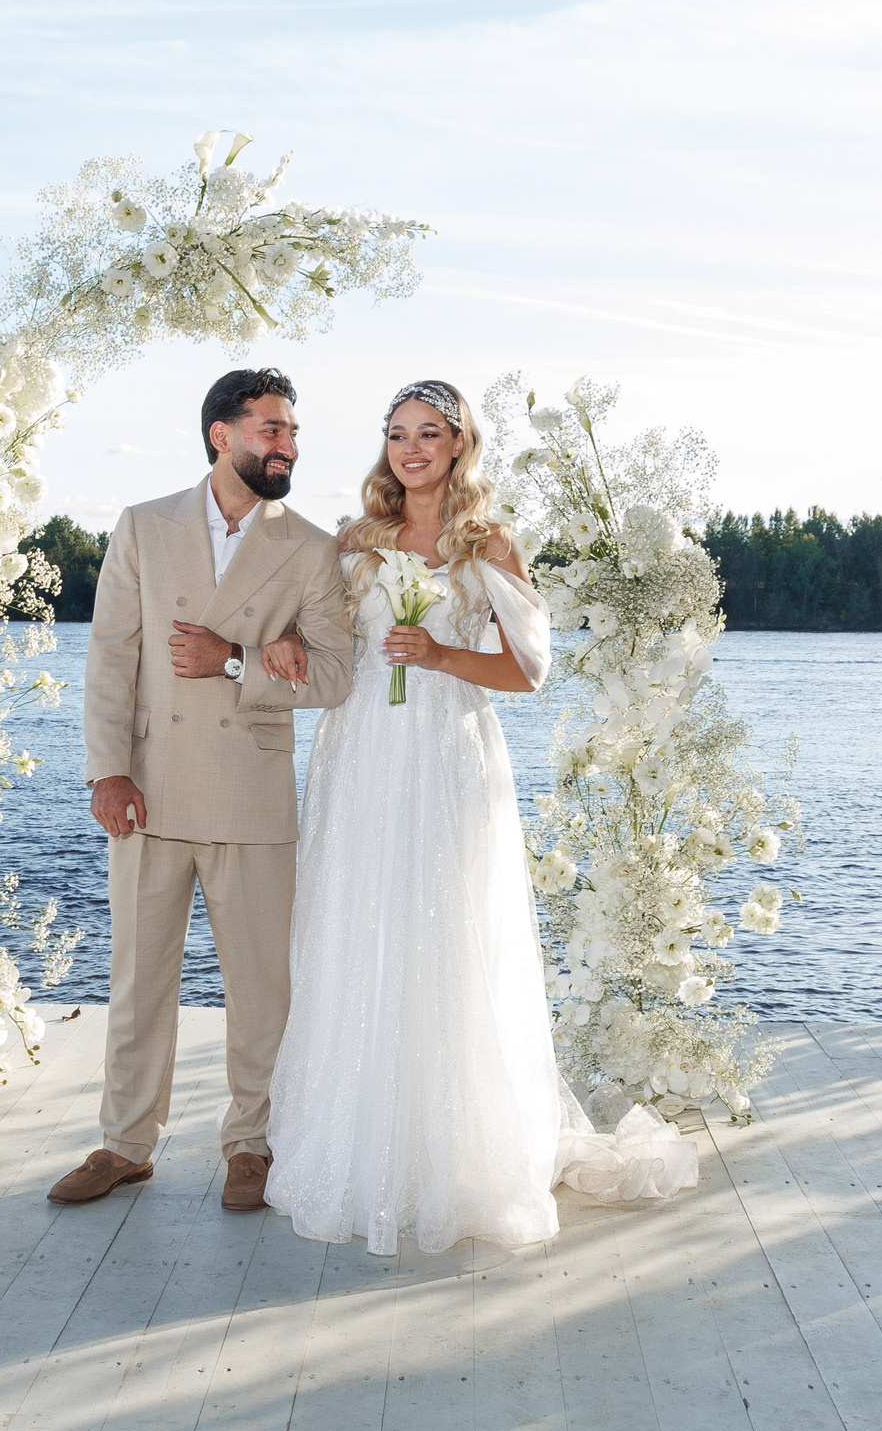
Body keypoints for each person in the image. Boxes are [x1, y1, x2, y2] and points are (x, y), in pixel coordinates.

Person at [262, 379, 695, 1255]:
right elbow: (327, 647)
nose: (410, 449)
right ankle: (360, 1141)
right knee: (360, 928)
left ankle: (457, 1155)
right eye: (395, 434)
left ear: (460, 444)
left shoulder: (485, 541)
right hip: (362, 755)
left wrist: (440, 651)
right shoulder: (357, 541)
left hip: (448, 753)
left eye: (428, 433)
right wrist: (278, 649)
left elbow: (528, 670)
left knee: (447, 934)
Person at [49, 368, 355, 1212]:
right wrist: (107, 769)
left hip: (252, 791)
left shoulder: (312, 547)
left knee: (263, 987)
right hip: (148, 787)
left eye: (292, 432)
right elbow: (111, 657)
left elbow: (335, 676)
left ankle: (252, 1142)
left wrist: (237, 659)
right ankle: (125, 1143)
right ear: (221, 435)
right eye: (270, 429)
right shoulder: (144, 528)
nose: (286, 445)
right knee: (138, 979)